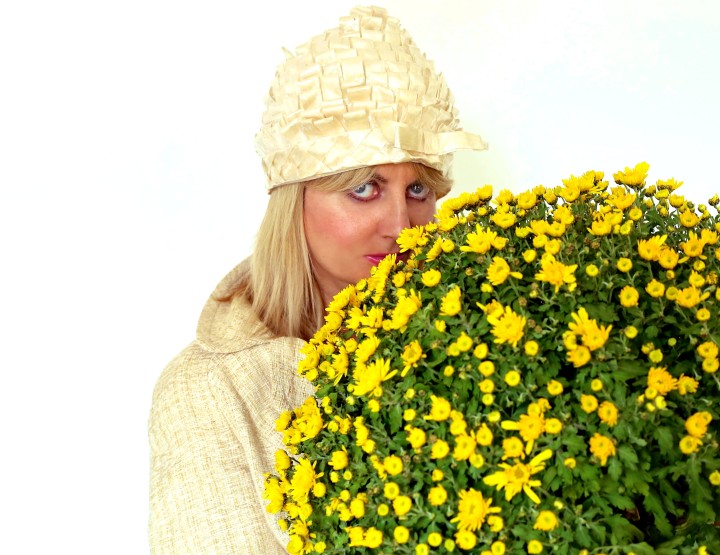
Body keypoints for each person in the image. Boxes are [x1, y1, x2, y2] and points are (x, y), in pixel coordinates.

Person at [148, 5, 486, 554]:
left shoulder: (483, 341)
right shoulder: (210, 391)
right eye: (364, 188)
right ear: (294, 200)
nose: (403, 228)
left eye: (418, 190)